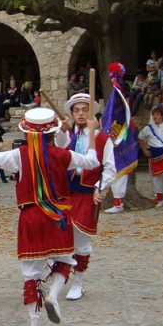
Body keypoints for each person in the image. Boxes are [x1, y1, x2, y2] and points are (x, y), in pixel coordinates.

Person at [0, 107, 99, 326]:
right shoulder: (62, 155)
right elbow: (91, 161)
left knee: (30, 273)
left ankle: (34, 325)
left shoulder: (18, 155)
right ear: (52, 133)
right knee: (65, 259)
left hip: (30, 217)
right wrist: (93, 134)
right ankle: (53, 296)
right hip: (57, 217)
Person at [55, 93, 116, 300]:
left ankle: (78, 282)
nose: (80, 114)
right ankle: (60, 275)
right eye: (76, 110)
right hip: (64, 194)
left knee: (81, 240)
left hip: (86, 194)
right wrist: (62, 130)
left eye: (84, 110)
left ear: (91, 113)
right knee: (61, 237)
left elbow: (109, 168)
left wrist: (100, 187)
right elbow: (57, 150)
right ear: (71, 114)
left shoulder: (103, 139)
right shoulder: (66, 134)